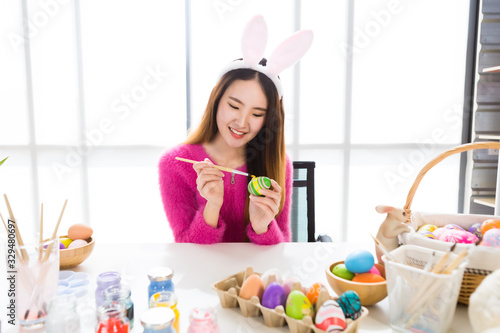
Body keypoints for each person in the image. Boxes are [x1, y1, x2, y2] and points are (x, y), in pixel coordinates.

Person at [158, 15, 313, 244]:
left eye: (257, 114)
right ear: (216, 100)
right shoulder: (176, 164)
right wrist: (212, 207)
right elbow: (185, 249)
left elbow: (282, 246)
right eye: (234, 106)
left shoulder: (280, 163)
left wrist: (263, 226)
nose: (242, 122)